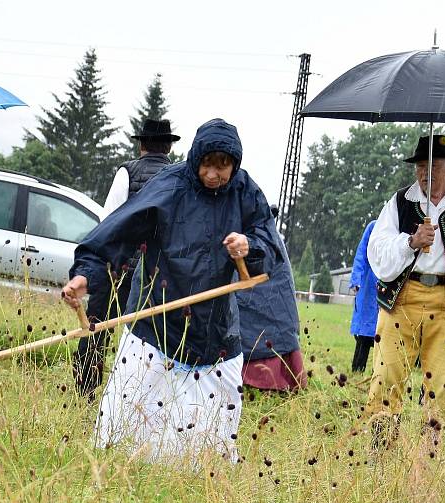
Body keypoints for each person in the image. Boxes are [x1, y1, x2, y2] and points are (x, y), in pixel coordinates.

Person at [61, 118, 281, 462]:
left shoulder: (244, 191)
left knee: (207, 436)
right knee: (128, 417)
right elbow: (118, 231)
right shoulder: (171, 184)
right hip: (157, 322)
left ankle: (199, 473)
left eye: (223, 167)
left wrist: (248, 246)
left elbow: (269, 243)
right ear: (196, 159)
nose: (213, 175)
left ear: (234, 165)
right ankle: (121, 465)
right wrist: (85, 275)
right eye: (208, 165)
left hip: (214, 330)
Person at [365, 134, 445, 442]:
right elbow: (377, 252)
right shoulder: (400, 202)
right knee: (386, 378)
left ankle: (430, 459)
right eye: (421, 166)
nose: (425, 173)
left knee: (442, 387)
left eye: (434, 166)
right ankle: (380, 454)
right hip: (402, 300)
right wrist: (411, 242)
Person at [74, 118, 180, 397]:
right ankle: (144, 395)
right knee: (154, 338)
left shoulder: (127, 172)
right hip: (158, 275)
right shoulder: (178, 177)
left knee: (96, 328)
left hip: (119, 269)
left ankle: (85, 390)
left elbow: (107, 220)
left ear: (141, 144)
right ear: (169, 146)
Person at [237, 205, 305, 392]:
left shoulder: (270, 238)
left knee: (275, 318)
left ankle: (274, 378)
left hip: (272, 286)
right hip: (246, 279)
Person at [349, 220, 378, 373]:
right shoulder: (374, 226)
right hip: (368, 285)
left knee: (385, 334)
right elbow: (361, 254)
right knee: (364, 333)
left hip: (389, 285)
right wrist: (356, 279)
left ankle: (378, 373)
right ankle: (357, 369)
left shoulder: (400, 229)